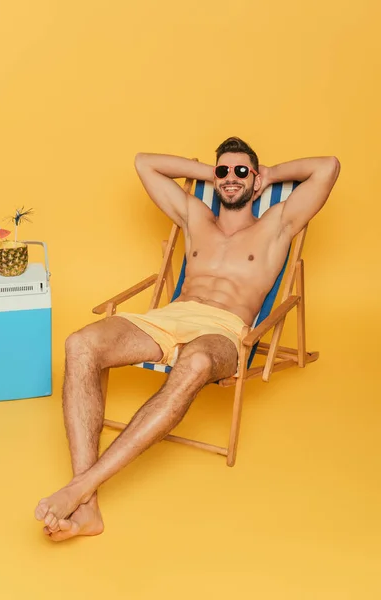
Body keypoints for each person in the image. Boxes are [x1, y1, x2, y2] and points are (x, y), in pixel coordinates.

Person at [35, 137, 340, 541]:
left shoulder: (278, 223)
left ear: (255, 178)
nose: (231, 178)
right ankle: (88, 507)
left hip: (225, 330)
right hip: (171, 318)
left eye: (241, 171)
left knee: (194, 362)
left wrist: (271, 174)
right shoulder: (196, 218)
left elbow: (328, 167)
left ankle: (79, 488)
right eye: (224, 171)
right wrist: (210, 175)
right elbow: (144, 162)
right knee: (80, 343)